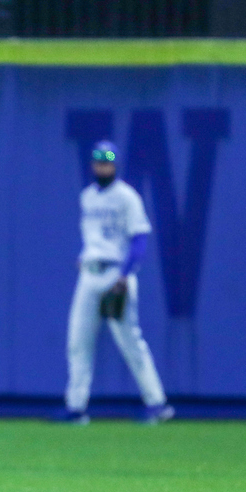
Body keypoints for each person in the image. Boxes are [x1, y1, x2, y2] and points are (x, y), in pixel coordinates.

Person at [59, 140, 173, 425]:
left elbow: (139, 238)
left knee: (130, 342)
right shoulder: (87, 196)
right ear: (93, 165)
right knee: (77, 342)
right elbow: (93, 237)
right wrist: (86, 257)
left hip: (116, 275)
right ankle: (76, 407)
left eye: (108, 161)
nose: (103, 166)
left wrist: (126, 274)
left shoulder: (127, 196)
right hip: (89, 273)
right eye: (99, 161)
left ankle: (157, 403)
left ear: (116, 165)